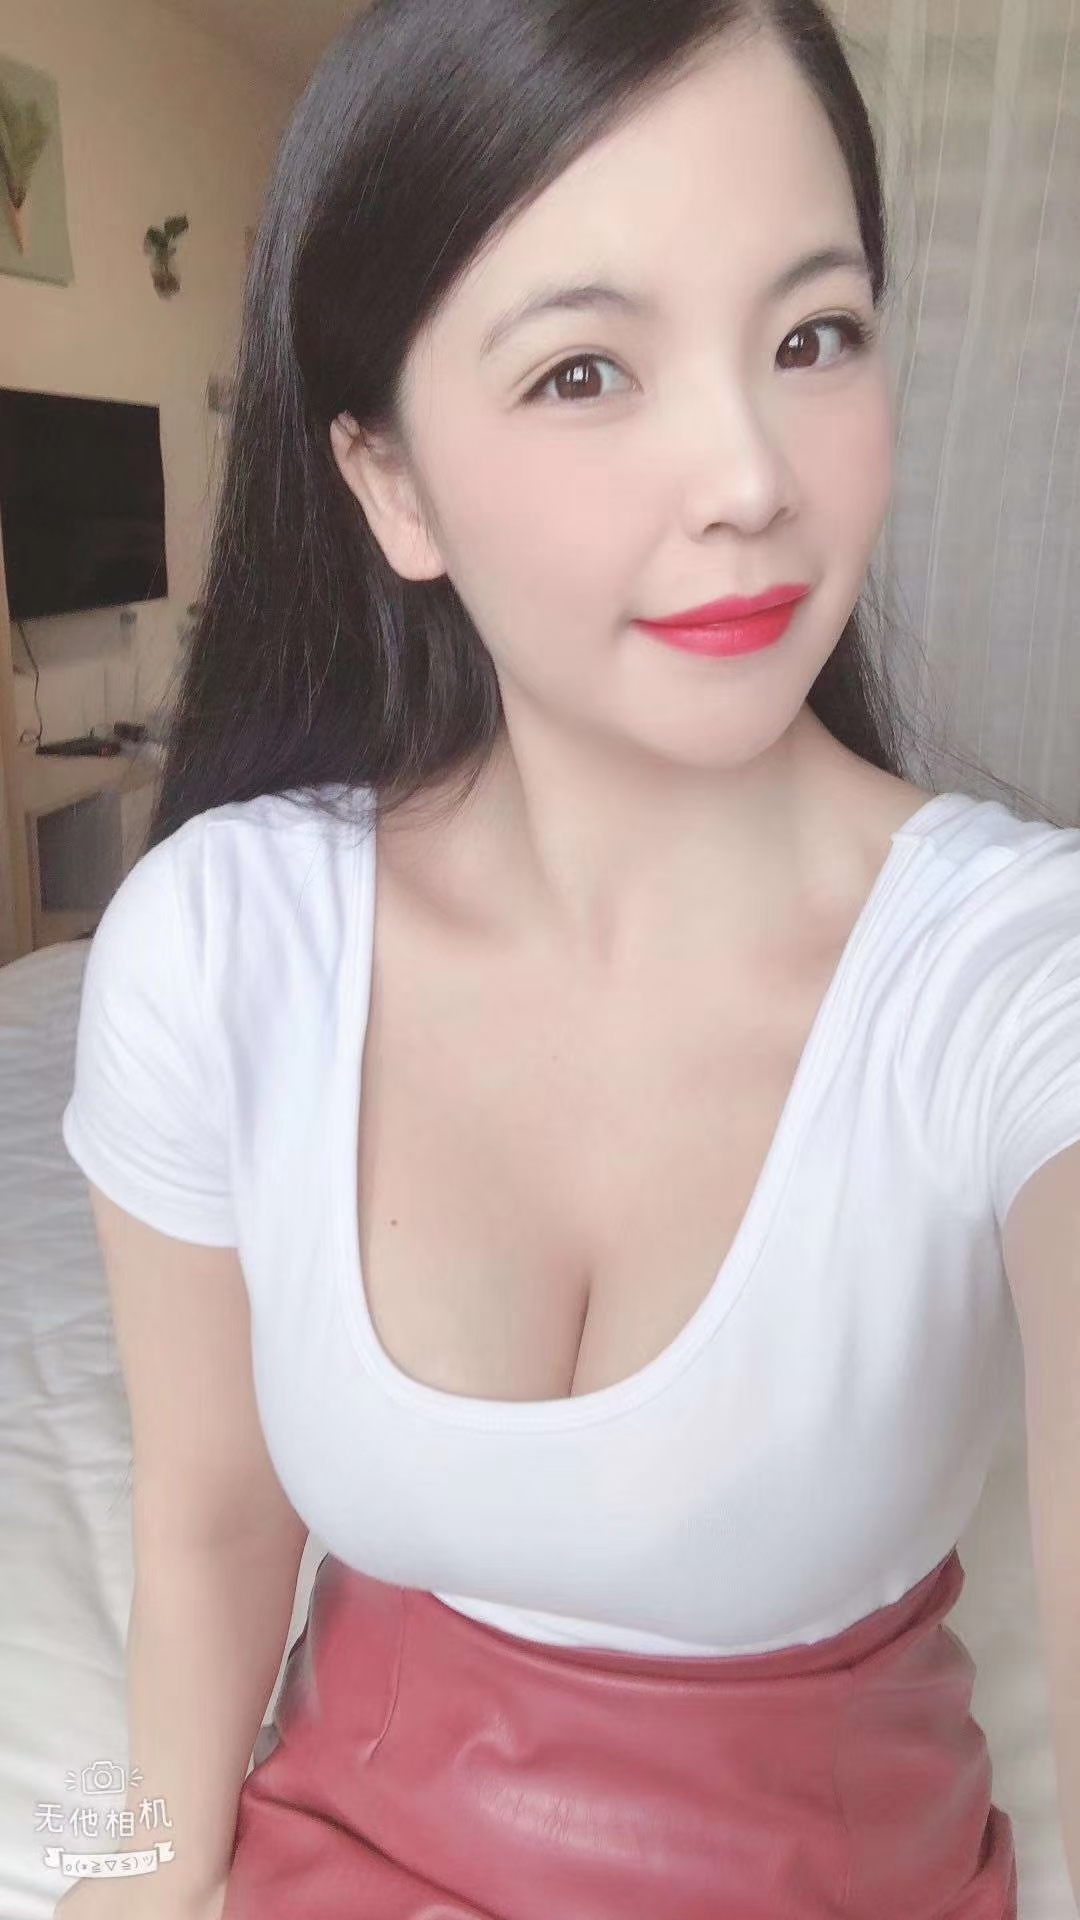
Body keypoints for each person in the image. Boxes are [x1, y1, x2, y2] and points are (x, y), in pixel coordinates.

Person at [55, 0, 1080, 1914]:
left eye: (812, 336)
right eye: (585, 370)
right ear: (392, 486)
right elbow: (206, 1530)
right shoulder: (216, 945)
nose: (750, 476)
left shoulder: (1019, 979)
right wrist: (113, 1876)